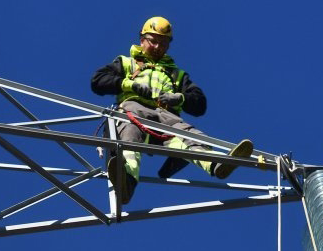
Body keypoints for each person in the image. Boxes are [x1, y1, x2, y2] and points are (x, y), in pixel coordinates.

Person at [90, 16, 252, 204]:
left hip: (166, 117)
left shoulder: (176, 74)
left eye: (164, 43)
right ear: (142, 40)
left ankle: (216, 163)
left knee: (187, 135)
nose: (158, 47)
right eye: (154, 42)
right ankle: (125, 180)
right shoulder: (127, 63)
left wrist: (180, 98)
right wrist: (129, 85)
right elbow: (98, 81)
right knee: (128, 134)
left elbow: (200, 104)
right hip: (133, 109)